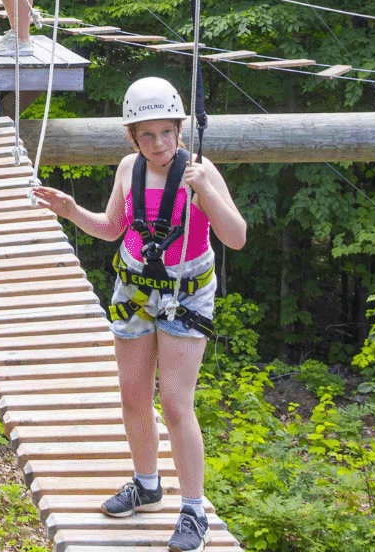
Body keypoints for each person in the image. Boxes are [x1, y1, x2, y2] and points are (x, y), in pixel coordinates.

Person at [31, 77, 248, 552]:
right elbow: (111, 228)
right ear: (132, 137)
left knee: (174, 402)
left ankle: (192, 510)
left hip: (184, 294)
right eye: (146, 135)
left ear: (179, 129)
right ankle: (147, 484)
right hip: (133, 288)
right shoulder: (128, 168)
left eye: (166, 133)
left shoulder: (201, 171)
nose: (158, 144)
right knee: (132, 398)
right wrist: (70, 210)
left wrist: (206, 193)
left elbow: (236, 237)